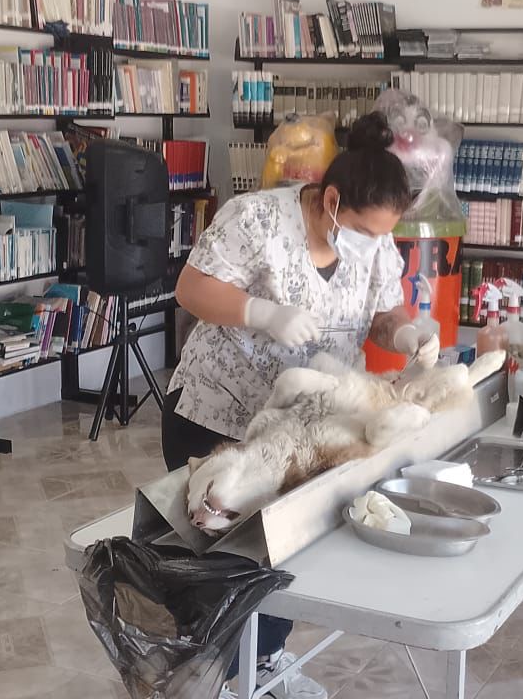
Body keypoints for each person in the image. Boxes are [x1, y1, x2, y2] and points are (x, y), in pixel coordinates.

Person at [162, 112, 435, 699]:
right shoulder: (256, 218)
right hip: (218, 415)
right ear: (331, 200)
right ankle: (206, 678)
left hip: (304, 431)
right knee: (221, 560)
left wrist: (405, 333)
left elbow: (384, 314)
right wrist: (260, 313)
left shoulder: (376, 243)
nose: (373, 243)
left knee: (288, 548)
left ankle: (265, 662)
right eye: (364, 230)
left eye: (382, 234)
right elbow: (191, 288)